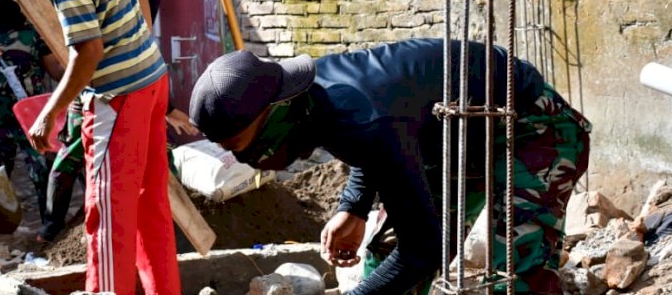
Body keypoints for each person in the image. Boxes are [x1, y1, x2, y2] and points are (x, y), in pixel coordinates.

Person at [188, 38, 591, 294]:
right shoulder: (308, 101)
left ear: (273, 116)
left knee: (516, 262)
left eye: (242, 146)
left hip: (529, 125)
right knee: (388, 247)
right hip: (451, 138)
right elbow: (376, 144)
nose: (243, 159)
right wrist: (353, 207)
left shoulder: (357, 114)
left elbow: (423, 250)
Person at [0, 0, 181, 295]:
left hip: (118, 96)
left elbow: (88, 52)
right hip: (150, 80)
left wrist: (52, 112)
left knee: (106, 219)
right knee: (149, 209)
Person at [37, 0, 214, 242]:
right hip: (101, 86)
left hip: (131, 78)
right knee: (74, 158)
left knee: (155, 157)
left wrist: (169, 108)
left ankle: (164, 222)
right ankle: (53, 227)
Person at [0, 0, 64, 224]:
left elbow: (54, 68)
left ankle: (51, 225)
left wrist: (77, 74)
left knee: (42, 173)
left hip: (31, 119)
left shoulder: (35, 33)